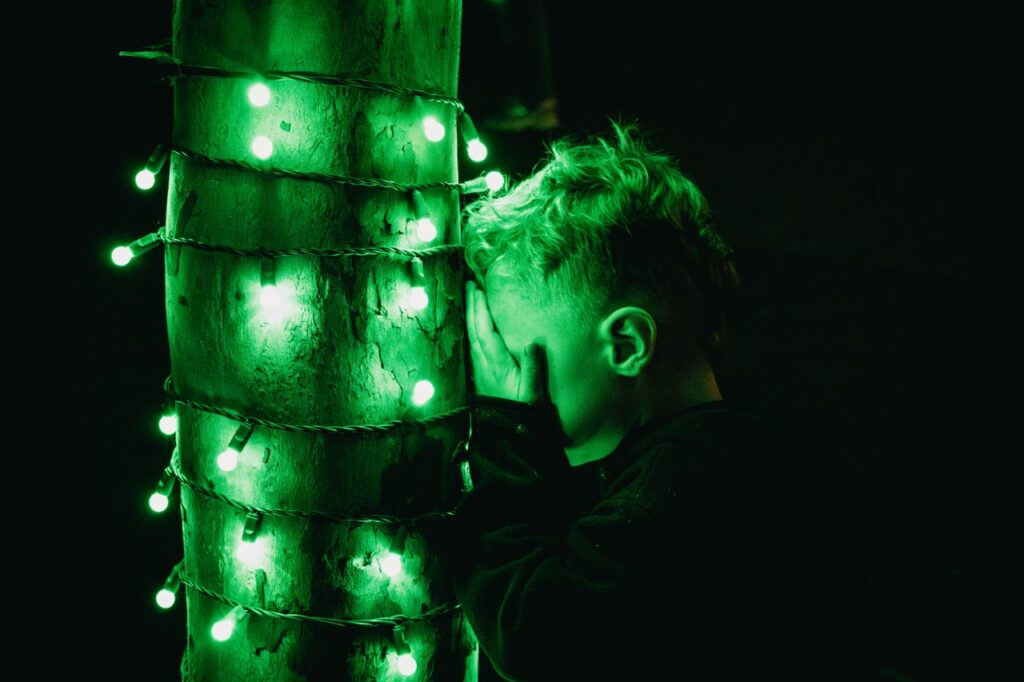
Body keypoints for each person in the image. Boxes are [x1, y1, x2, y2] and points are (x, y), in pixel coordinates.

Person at [449, 121, 887, 680]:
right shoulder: (718, 459)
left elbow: (538, 633)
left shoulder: (705, 467)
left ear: (627, 344)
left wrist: (507, 433)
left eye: (509, 354)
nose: (500, 378)